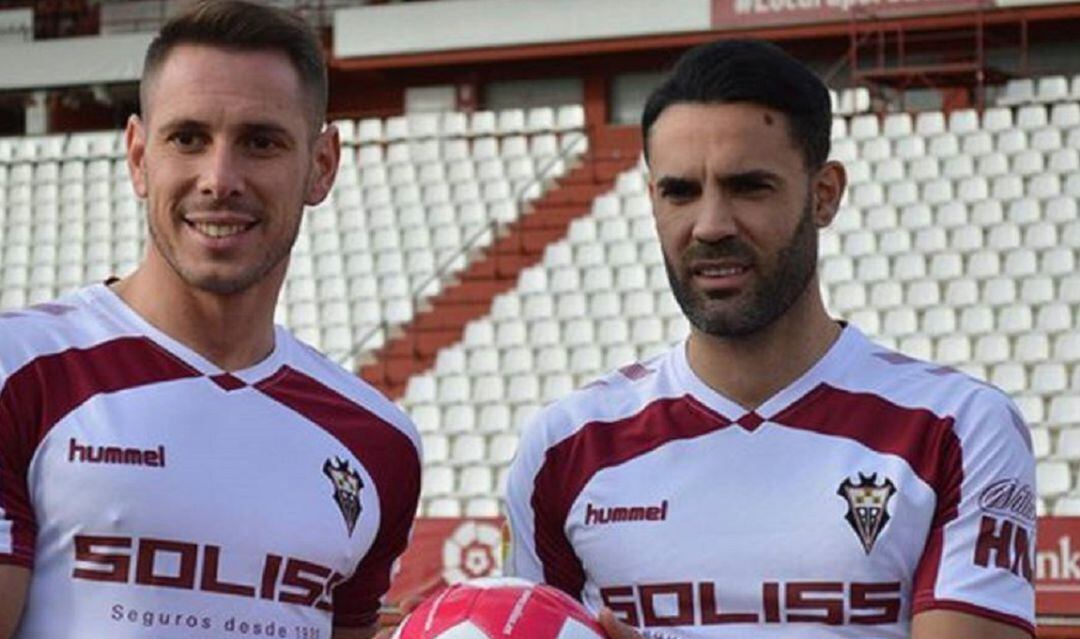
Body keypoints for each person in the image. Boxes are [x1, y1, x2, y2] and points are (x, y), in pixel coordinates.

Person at [505, 39, 1035, 639]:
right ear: (653, 201)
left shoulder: (956, 427)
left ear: (824, 194)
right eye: (681, 192)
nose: (711, 226)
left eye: (749, 187)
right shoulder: (565, 446)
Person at [0, 2, 420, 638]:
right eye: (188, 138)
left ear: (322, 165)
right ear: (140, 157)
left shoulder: (378, 443)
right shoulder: (18, 373)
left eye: (261, 142)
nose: (219, 179)